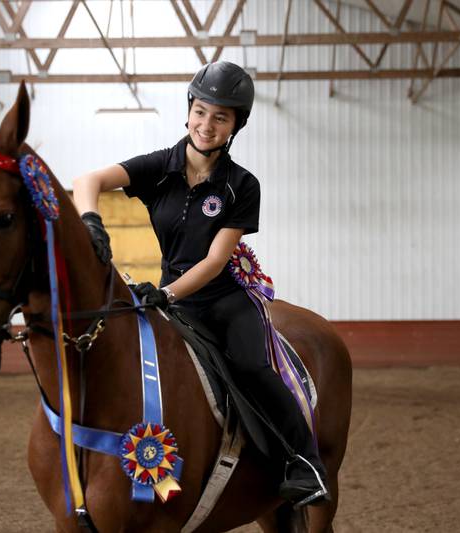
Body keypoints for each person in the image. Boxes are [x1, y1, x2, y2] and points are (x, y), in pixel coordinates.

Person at [72, 61, 328, 507]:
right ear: (189, 110)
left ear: (235, 126)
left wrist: (167, 293)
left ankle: (303, 463)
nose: (206, 125)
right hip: (173, 302)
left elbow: (214, 261)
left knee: (252, 368)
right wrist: (91, 221)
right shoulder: (158, 168)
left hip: (224, 301)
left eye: (221, 117)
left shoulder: (242, 185)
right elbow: (86, 181)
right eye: (201, 111)